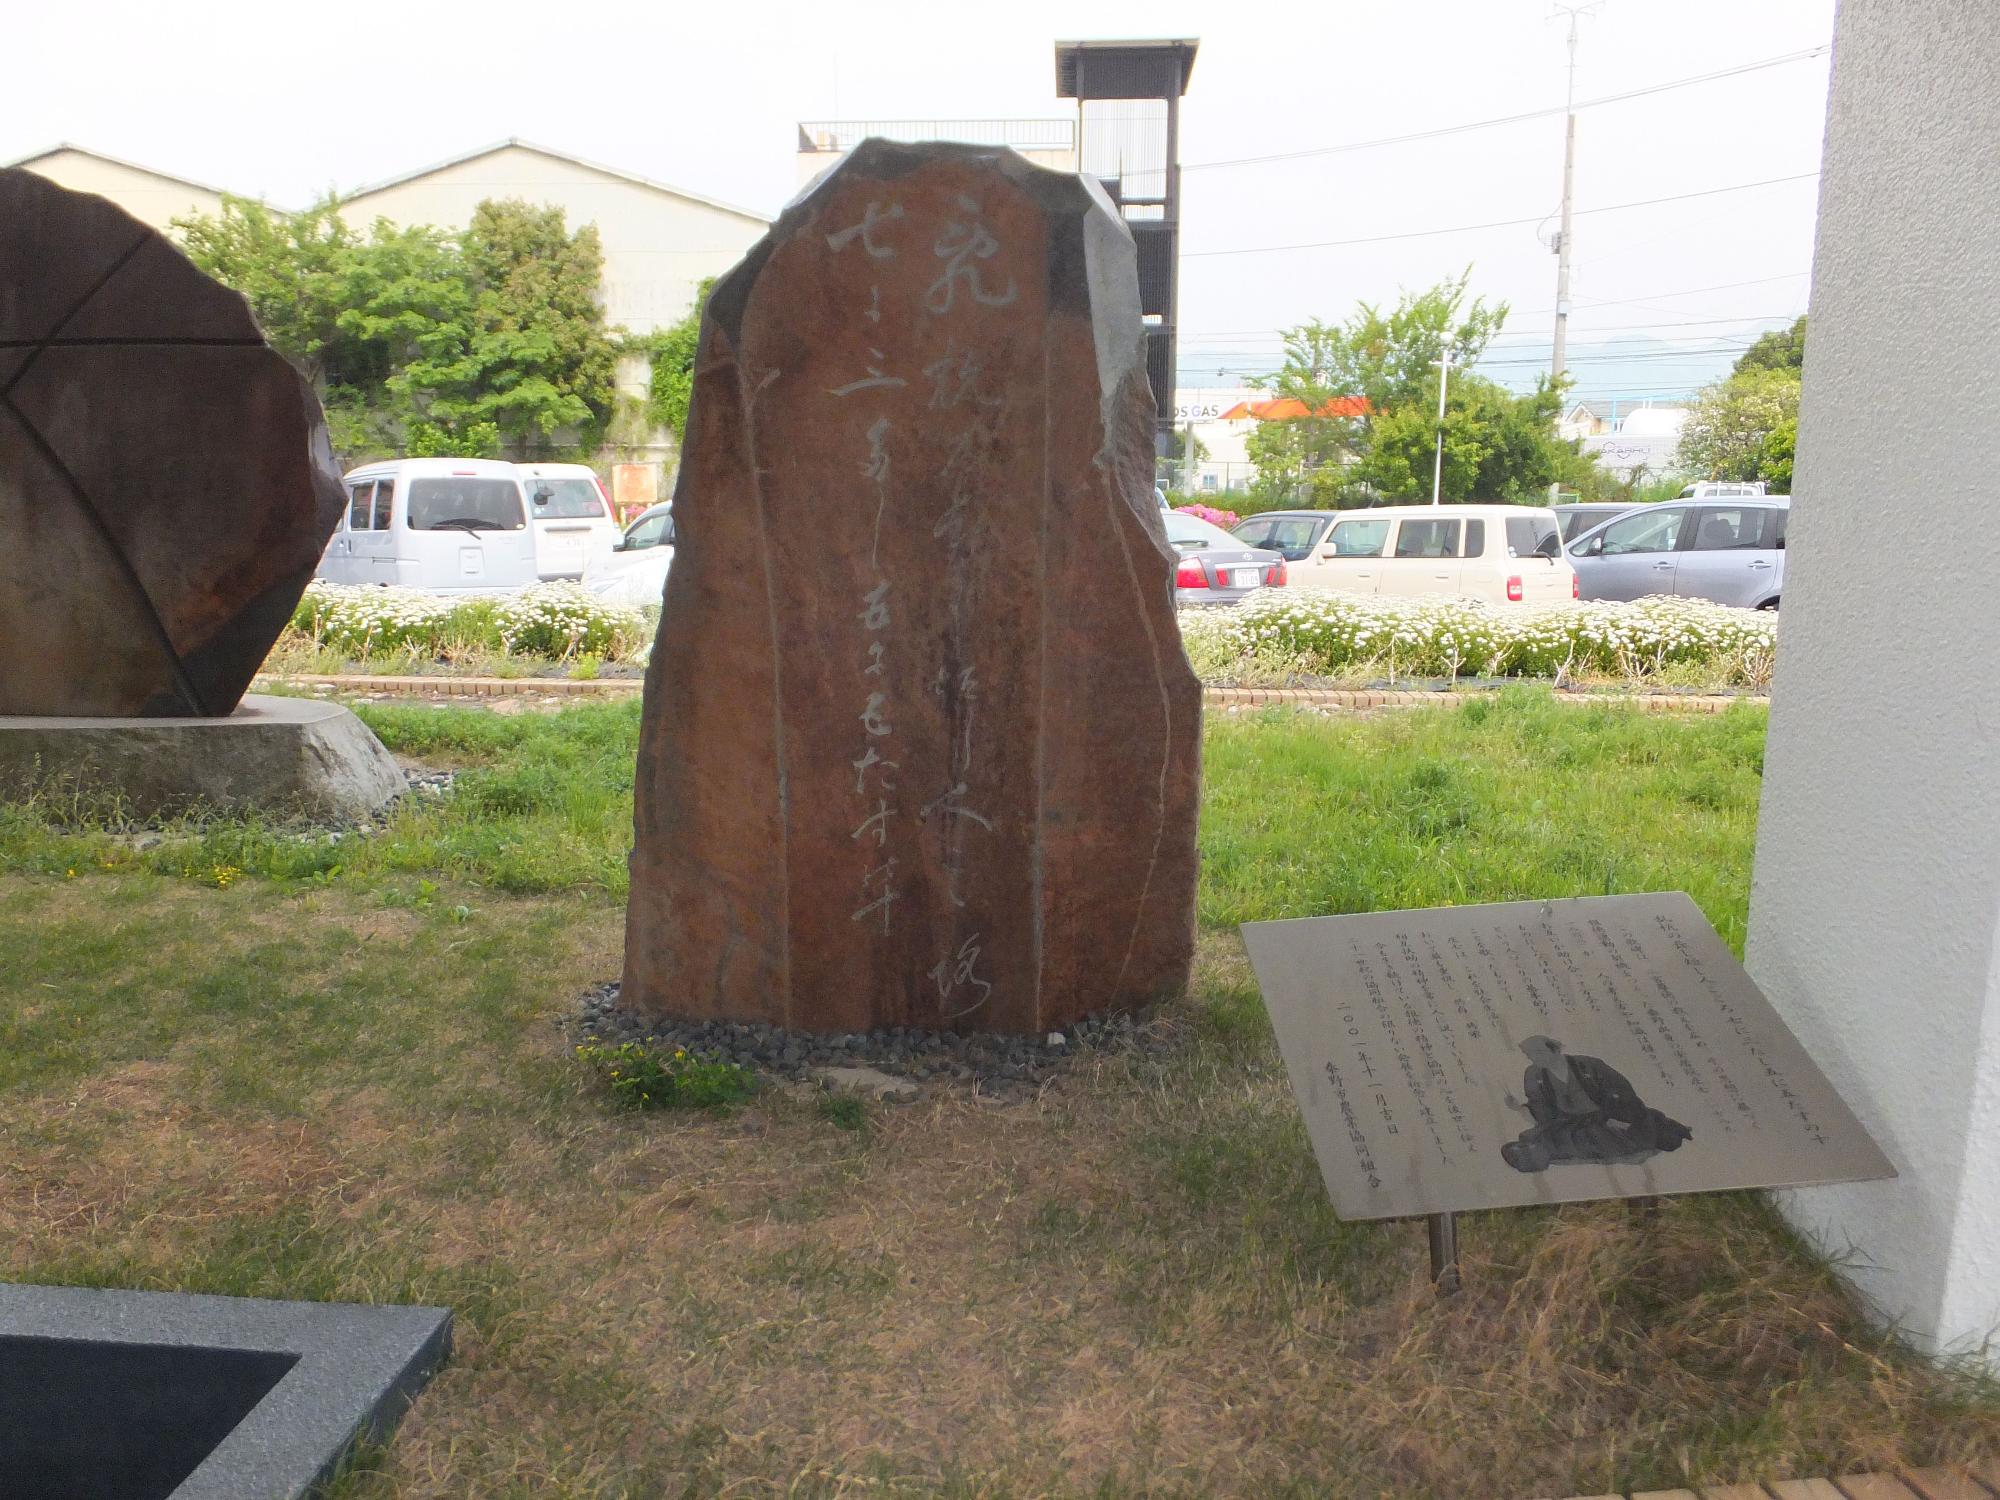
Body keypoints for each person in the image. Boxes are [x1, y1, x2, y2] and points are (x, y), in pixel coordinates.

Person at [1500, 1035, 1693, 1174]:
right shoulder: (1533, 1075)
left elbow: (1620, 1091)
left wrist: (1616, 1117)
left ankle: (1536, 1153)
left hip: (1606, 1118)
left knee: (1597, 1138)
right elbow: (1540, 1108)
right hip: (1569, 1122)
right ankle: (1530, 1152)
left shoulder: (1589, 1066)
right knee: (1541, 1135)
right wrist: (1519, 1108)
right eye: (1530, 1055)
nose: (1534, 1058)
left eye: (1538, 1052)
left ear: (1556, 1049)